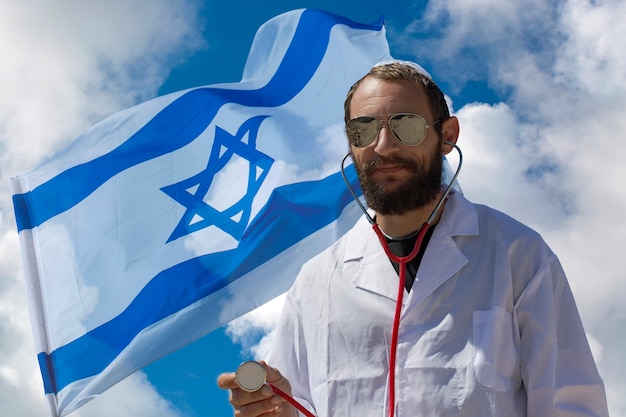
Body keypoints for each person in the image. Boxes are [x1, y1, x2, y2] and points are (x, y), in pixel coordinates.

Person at [217, 61, 609, 417]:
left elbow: (571, 407)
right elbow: (295, 408)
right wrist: (277, 410)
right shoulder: (315, 283)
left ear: (447, 135)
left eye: (406, 125)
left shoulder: (518, 255)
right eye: (364, 129)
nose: (384, 146)